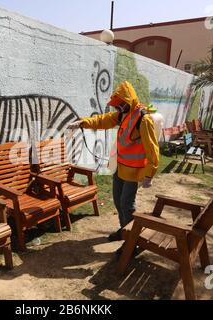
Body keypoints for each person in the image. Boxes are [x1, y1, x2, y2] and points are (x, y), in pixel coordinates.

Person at [67, 81, 159, 255]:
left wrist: (150, 174)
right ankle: (124, 231)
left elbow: (152, 148)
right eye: (117, 105)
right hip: (120, 167)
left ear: (128, 101)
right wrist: (82, 123)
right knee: (118, 201)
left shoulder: (143, 119)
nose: (118, 108)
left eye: (120, 104)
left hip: (134, 171)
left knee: (127, 204)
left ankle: (133, 242)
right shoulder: (122, 115)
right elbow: (103, 120)